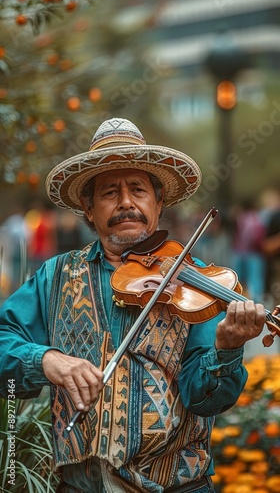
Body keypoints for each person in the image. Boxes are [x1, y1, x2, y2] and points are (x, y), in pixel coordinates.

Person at [0, 118, 266, 493]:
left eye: (138, 190)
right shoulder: (54, 276)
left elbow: (206, 400)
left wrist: (228, 350)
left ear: (159, 203)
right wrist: (46, 360)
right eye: (110, 193)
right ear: (88, 209)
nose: (126, 203)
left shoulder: (199, 284)